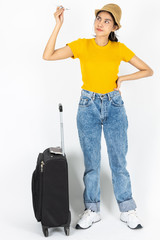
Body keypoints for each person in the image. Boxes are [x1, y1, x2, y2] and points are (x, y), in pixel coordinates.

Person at [42, 3, 153, 230]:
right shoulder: (82, 45)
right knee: (91, 163)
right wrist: (58, 25)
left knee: (118, 161)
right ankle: (92, 209)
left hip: (114, 106)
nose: (100, 24)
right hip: (87, 106)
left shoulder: (119, 49)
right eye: (99, 19)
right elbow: (48, 56)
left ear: (114, 27)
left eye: (106, 21)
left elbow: (148, 70)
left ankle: (127, 209)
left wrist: (122, 79)